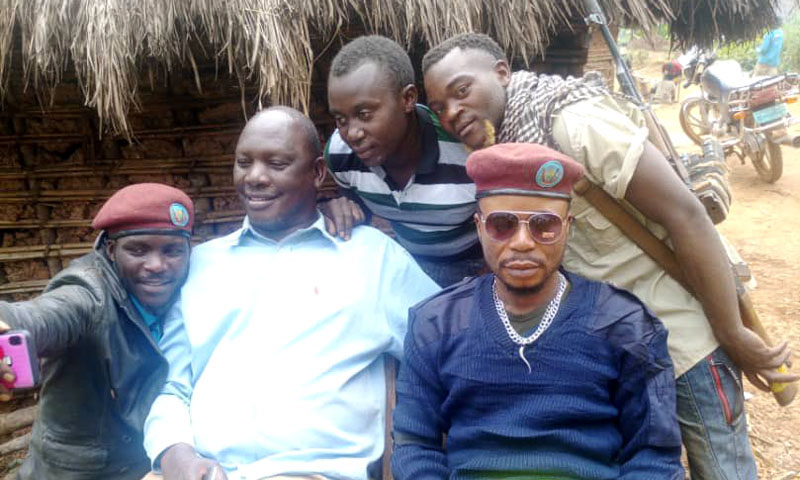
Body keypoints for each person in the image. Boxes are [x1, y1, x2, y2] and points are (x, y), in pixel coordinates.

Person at [421, 32, 799, 479]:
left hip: (682, 339)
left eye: (462, 91)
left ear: (502, 72)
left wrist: (732, 332)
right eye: (439, 107)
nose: (452, 112)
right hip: (614, 355)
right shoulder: (507, 155)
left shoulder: (571, 123)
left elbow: (685, 215)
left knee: (722, 471)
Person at [143, 106, 440, 480]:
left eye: (276, 163)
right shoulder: (202, 264)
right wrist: (175, 454)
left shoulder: (372, 258)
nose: (254, 177)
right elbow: (171, 385)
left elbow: (447, 348)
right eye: (243, 162)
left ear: (317, 172)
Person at [392, 143, 683, 479]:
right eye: (502, 224)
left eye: (544, 225)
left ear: (567, 227)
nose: (522, 242)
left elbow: (653, 454)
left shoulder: (623, 325)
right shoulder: (436, 325)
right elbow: (414, 445)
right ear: (479, 226)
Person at [0, 183, 194, 480]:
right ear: (111, 250)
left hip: (147, 462)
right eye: (138, 250)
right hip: (78, 471)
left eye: (173, 251)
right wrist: (5, 320)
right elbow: (46, 314)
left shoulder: (192, 291)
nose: (157, 265)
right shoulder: (89, 292)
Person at [325, 35, 481, 286]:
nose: (352, 133)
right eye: (341, 119)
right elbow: (359, 215)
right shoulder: (341, 155)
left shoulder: (467, 152)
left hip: (477, 266)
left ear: (408, 99)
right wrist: (341, 211)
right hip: (407, 262)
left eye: (364, 114)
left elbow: (503, 230)